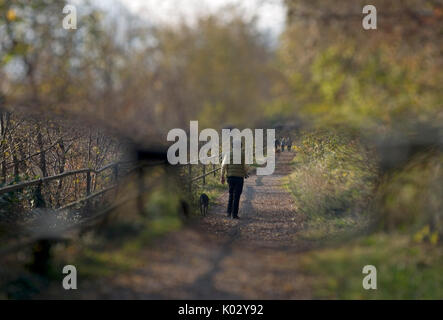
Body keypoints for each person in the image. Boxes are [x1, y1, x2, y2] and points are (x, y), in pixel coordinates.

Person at [220, 140, 249, 219]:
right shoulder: (243, 154)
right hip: (239, 178)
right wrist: (246, 173)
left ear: (232, 146)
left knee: (231, 194)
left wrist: (222, 176)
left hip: (230, 177)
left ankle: (228, 212)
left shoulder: (228, 154)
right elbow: (245, 166)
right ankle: (235, 214)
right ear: (240, 146)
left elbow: (223, 166)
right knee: (237, 196)